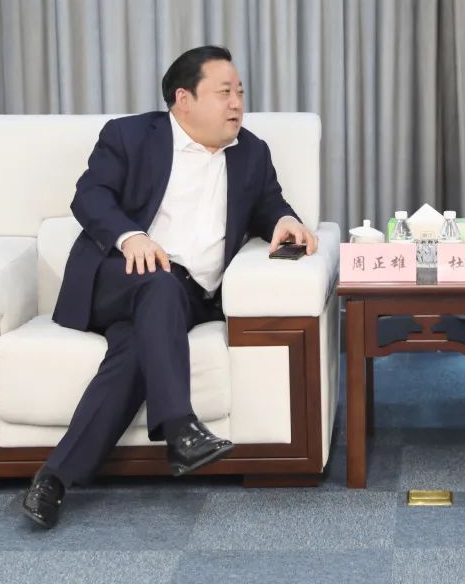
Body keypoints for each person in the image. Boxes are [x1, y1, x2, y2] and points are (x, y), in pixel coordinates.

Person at [22, 45, 318, 529]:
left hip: (191, 297)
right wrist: (130, 235)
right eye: (224, 92)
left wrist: (285, 220)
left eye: (240, 93)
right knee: (159, 284)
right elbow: (90, 195)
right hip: (119, 277)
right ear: (184, 99)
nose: (237, 104)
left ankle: (53, 479)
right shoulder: (130, 136)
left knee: (135, 351)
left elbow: (270, 204)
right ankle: (180, 427)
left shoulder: (252, 151)